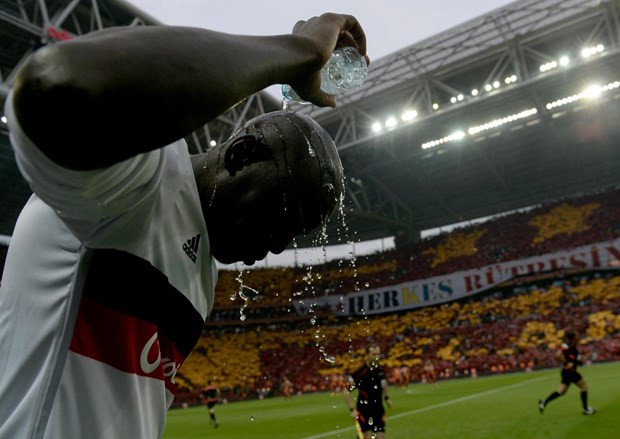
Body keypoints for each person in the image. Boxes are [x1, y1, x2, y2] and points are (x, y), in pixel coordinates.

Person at [0, 12, 368, 438]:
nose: (278, 246)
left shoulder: (204, 267)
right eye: (281, 217)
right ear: (240, 155)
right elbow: (57, 83)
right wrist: (298, 52)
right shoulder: (140, 182)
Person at [538, 331, 596, 415]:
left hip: (566, 372)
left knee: (561, 391)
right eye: (576, 335)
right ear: (573, 338)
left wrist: (586, 357)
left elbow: (577, 362)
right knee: (584, 387)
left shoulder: (574, 348)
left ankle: (544, 402)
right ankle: (585, 409)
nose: (578, 336)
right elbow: (558, 355)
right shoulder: (566, 345)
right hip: (570, 372)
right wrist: (566, 363)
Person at [343, 342, 393, 439]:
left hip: (378, 409)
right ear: (367, 355)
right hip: (364, 410)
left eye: (378, 354)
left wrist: (387, 398)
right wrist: (352, 409)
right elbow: (346, 391)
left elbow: (384, 384)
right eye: (374, 354)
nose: (376, 357)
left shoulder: (380, 371)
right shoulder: (360, 373)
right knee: (367, 436)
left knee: (381, 437)